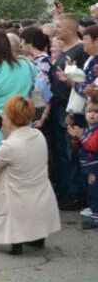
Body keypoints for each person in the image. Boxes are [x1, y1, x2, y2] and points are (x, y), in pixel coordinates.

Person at [0, 96, 60, 255]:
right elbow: (17, 146)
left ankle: (15, 239)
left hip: (16, 202)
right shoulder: (38, 135)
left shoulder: (10, 146)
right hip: (41, 199)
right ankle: (36, 235)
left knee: (4, 179)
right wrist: (4, 129)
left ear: (9, 117)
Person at [51, 13, 88, 210]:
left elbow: (83, 81)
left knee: (70, 151)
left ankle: (75, 194)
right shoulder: (63, 49)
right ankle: (65, 190)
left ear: (72, 29)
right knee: (61, 153)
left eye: (59, 26)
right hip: (58, 105)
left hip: (71, 107)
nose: (56, 29)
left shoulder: (80, 50)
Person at [70, 101, 98, 229]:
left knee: (94, 192)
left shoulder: (95, 131)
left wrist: (80, 136)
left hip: (94, 167)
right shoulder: (87, 130)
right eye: (89, 112)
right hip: (85, 167)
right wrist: (75, 138)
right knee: (88, 191)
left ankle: (96, 217)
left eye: (96, 112)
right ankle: (94, 213)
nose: (92, 114)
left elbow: (91, 146)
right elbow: (77, 146)